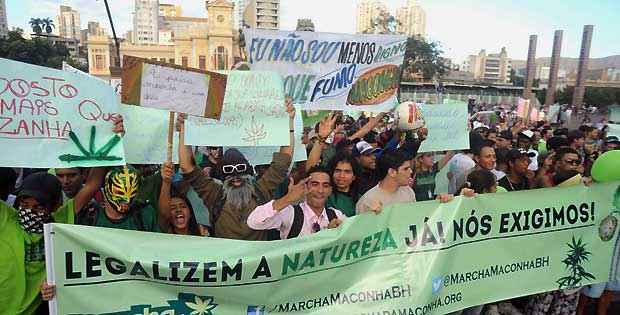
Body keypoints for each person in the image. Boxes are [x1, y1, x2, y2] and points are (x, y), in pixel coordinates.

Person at [179, 99, 294, 240]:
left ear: (249, 173)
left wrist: (288, 122)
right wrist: (185, 129)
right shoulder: (215, 195)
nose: (235, 176)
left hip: (259, 260)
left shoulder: (261, 190)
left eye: (240, 169)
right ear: (222, 176)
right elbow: (187, 167)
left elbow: (282, 162)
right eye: (229, 171)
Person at [247, 166, 346, 239]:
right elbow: (254, 222)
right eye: (314, 184)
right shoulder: (291, 213)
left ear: (330, 190)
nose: (320, 190)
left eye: (325, 185)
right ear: (305, 186)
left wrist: (339, 231)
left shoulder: (336, 215)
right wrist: (288, 198)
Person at [76, 165, 161, 232]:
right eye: (120, 192)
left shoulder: (144, 214)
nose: (127, 200)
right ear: (107, 188)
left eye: (132, 192)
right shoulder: (89, 216)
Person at [158, 162, 208, 236]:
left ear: (190, 213)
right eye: (172, 208)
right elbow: (164, 214)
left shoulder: (202, 233)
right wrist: (166, 181)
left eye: (183, 206)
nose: (178, 210)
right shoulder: (167, 234)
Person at [326, 153, 362, 217]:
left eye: (347, 172)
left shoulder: (361, 199)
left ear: (354, 176)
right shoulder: (325, 195)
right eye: (337, 171)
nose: (341, 176)